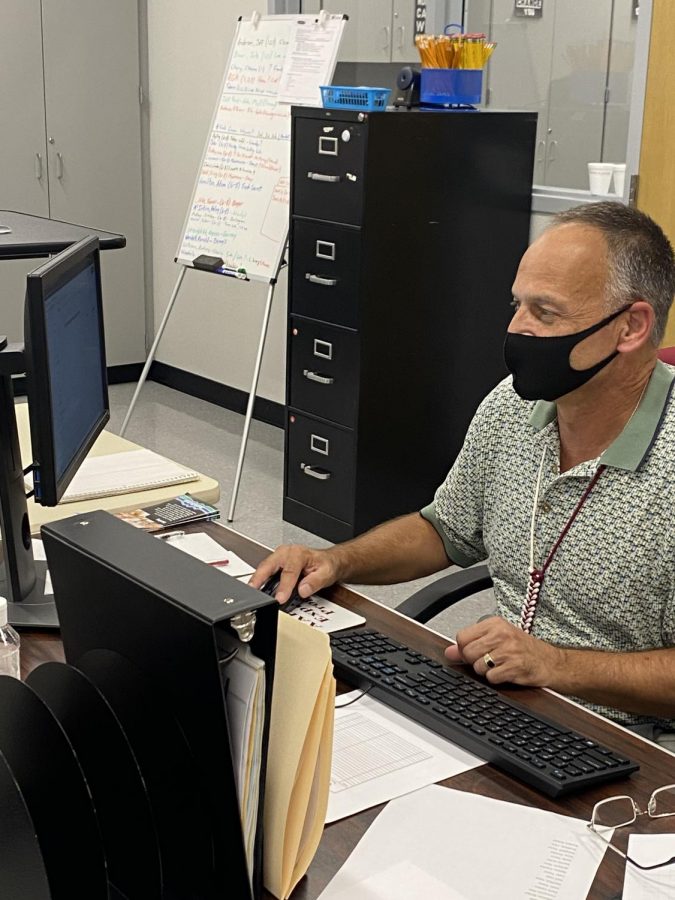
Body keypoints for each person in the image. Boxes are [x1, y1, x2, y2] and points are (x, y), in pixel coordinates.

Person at [251, 202, 675, 736]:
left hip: (637, 751)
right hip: (501, 707)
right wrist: (337, 562)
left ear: (631, 326)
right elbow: (444, 529)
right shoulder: (512, 408)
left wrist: (556, 664)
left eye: (545, 313)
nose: (516, 329)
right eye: (516, 305)